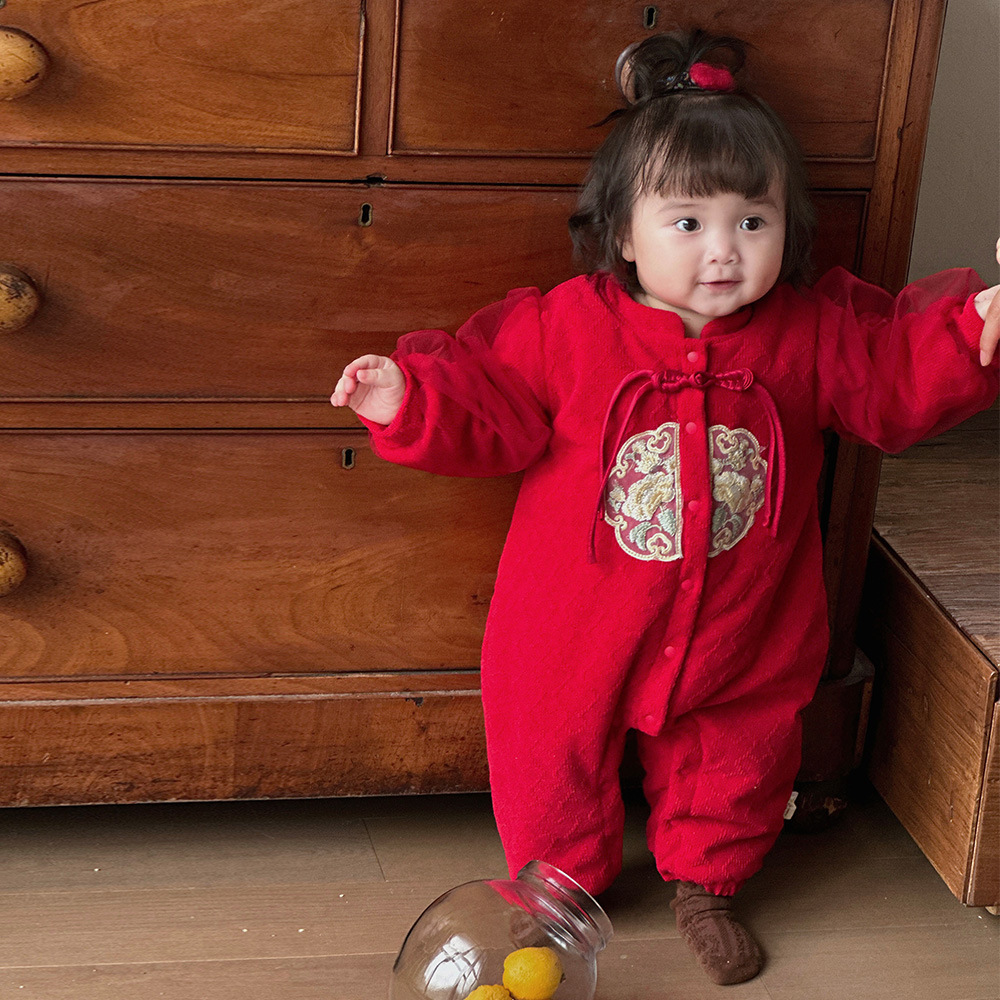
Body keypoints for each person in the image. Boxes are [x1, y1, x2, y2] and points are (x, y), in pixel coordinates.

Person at [332, 30, 1000, 986]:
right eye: (687, 223)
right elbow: (493, 411)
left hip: (747, 621)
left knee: (740, 746)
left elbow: (893, 378)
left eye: (752, 222)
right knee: (549, 749)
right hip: (573, 622)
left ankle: (710, 883)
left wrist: (972, 330)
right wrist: (407, 399)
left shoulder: (810, 334)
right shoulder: (563, 328)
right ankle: (555, 889)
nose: (723, 252)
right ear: (621, 234)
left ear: (786, 230)